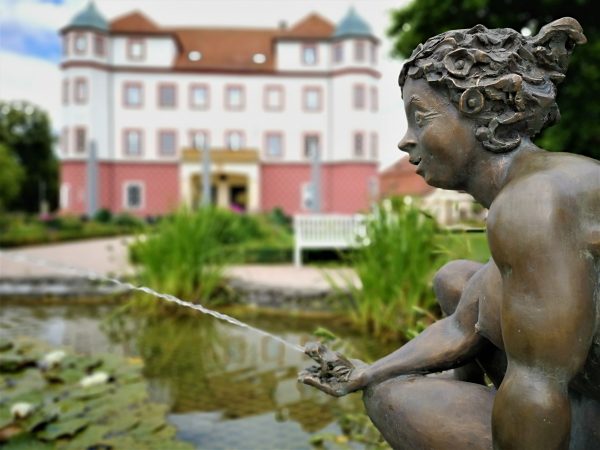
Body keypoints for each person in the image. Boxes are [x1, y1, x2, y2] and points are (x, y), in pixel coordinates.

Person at [299, 17, 600, 450]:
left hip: (585, 416)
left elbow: (538, 383)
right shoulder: (537, 184)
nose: (405, 141)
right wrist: (365, 371)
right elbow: (462, 325)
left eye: (420, 118)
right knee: (455, 278)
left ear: (475, 109)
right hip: (583, 391)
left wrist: (377, 383)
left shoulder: (533, 203)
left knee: (391, 397)